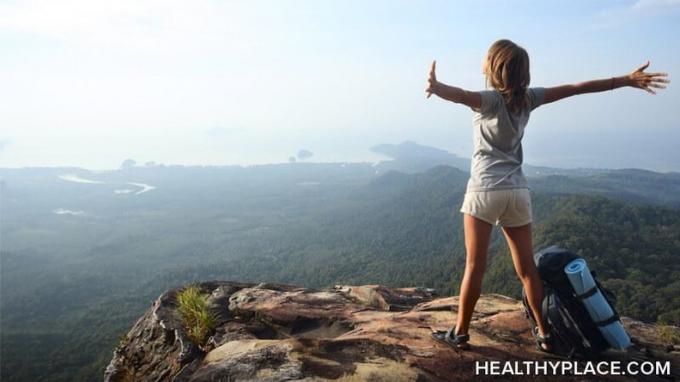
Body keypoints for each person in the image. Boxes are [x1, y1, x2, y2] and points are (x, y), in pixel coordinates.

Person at [425, 39, 669, 352]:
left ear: (494, 68)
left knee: (475, 265)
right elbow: (577, 87)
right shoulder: (529, 99)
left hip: (485, 190)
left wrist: (437, 86)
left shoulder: (488, 100)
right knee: (527, 269)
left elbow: (459, 96)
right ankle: (544, 333)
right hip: (517, 192)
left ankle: (459, 333)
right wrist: (624, 80)